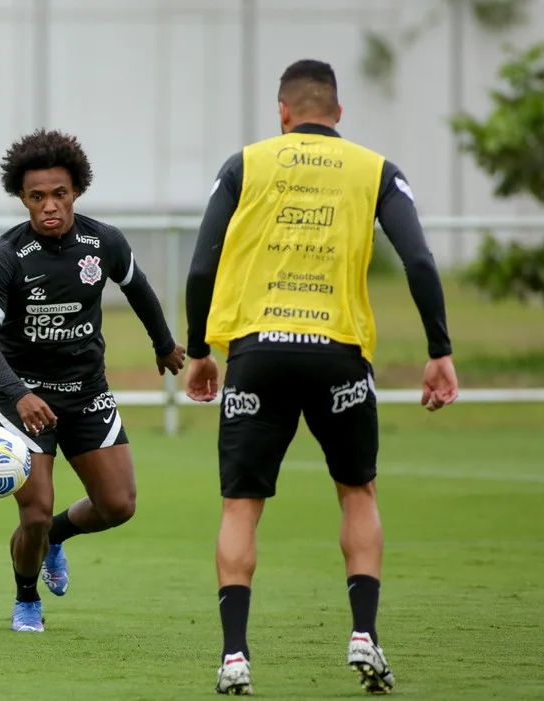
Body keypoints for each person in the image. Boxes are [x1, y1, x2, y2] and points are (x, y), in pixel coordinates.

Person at [184, 60, 459, 695]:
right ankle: (364, 634)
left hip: (259, 353)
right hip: (338, 355)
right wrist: (438, 348)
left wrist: (200, 348)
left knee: (241, 505)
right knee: (357, 492)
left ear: (283, 113)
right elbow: (417, 258)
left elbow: (202, 267)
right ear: (338, 113)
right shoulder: (375, 169)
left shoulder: (245, 165)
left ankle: (234, 656)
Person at [0, 128, 186, 632]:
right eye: (37, 197)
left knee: (118, 505)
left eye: (59, 194)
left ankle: (55, 538)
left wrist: (163, 344)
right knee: (33, 511)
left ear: (76, 192)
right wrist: (19, 394)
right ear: (22, 198)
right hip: (25, 397)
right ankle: (26, 599)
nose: (49, 206)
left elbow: (139, 289)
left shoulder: (104, 241)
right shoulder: (6, 257)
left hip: (88, 392)